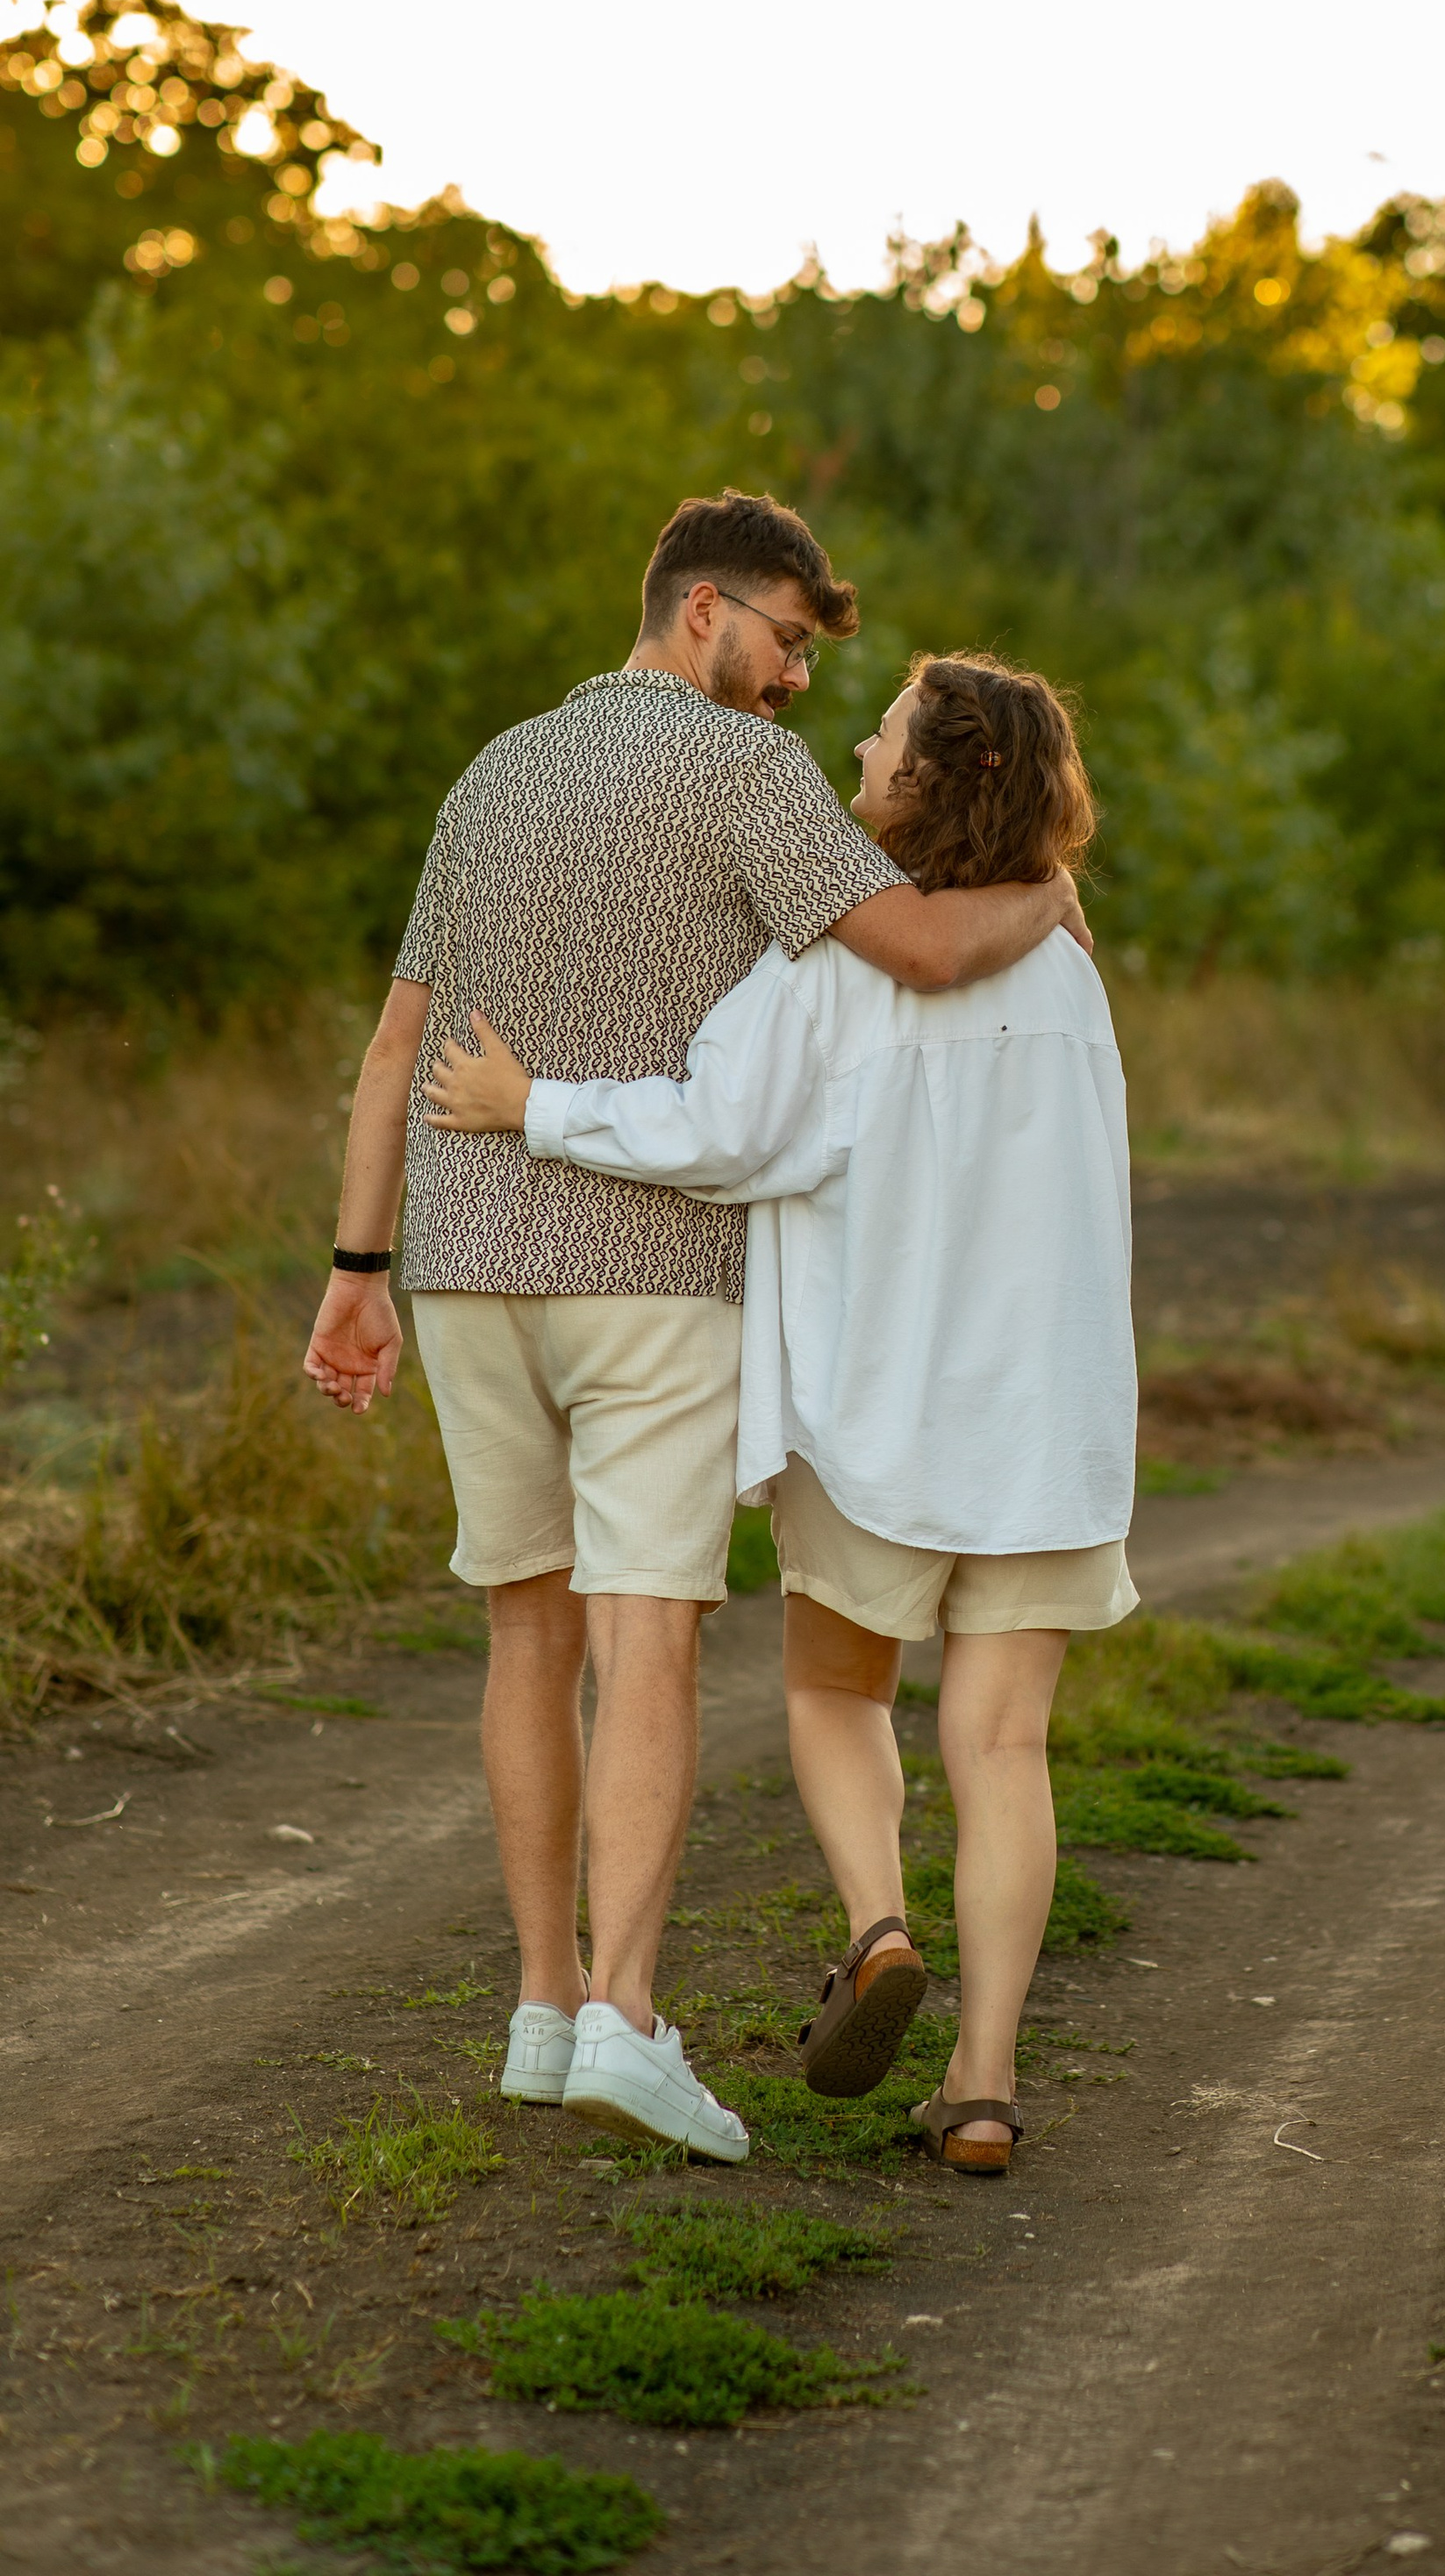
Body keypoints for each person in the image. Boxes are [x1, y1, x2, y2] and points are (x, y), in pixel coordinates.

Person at [302, 497, 1087, 2163]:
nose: (802, 678)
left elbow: (394, 1048)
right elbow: (928, 944)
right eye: (791, 638)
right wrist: (1049, 893)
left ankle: (538, 2006)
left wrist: (356, 1266)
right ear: (704, 609)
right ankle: (626, 2018)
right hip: (642, 1267)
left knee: (525, 1629)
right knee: (646, 1630)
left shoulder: (493, 772)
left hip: (462, 1261)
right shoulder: (744, 775)